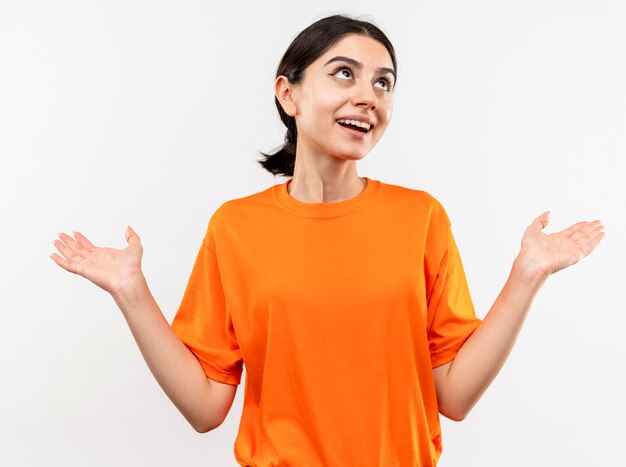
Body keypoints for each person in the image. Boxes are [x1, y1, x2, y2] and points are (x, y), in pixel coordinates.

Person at [50, 13, 605, 467]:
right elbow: (205, 405)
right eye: (344, 73)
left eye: (383, 82)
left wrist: (527, 274)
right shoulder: (235, 227)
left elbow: (453, 397)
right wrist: (130, 289)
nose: (369, 95)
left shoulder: (421, 217)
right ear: (288, 95)